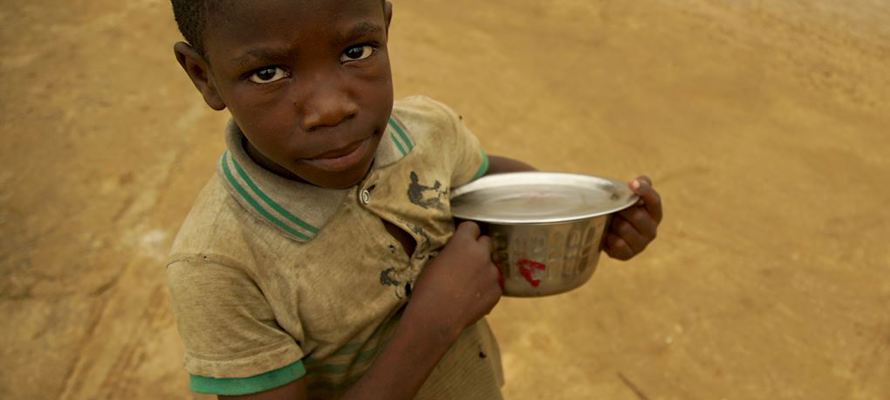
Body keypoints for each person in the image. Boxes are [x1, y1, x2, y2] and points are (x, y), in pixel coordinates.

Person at [165, 1, 664, 399]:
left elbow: (489, 188)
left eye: (356, 52)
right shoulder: (218, 266)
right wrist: (433, 324)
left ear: (385, 22)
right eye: (269, 73)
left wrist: (596, 222)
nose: (332, 109)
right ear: (203, 75)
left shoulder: (427, 133)